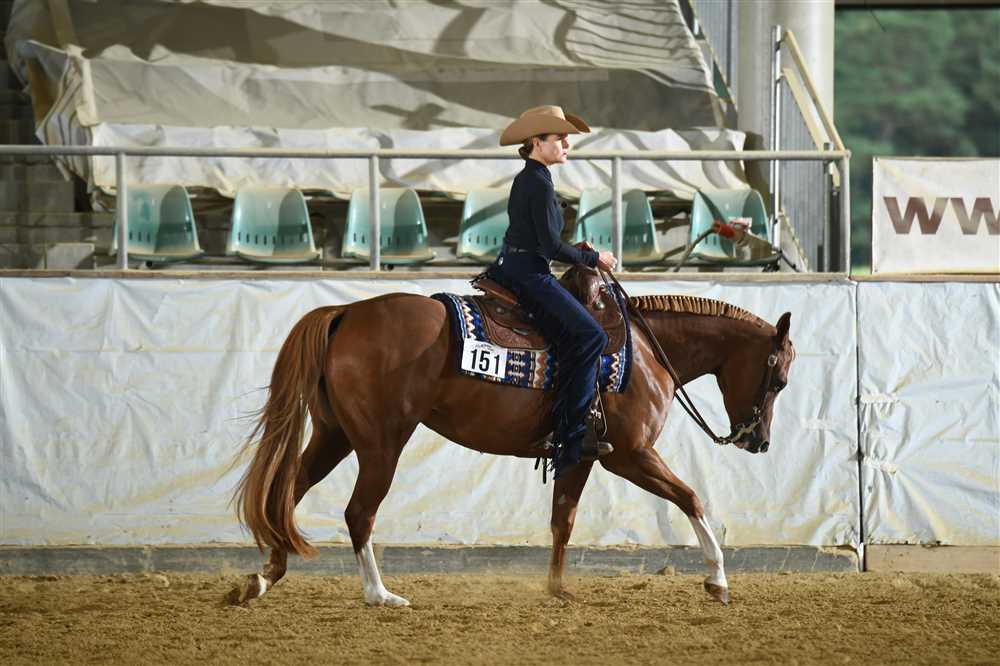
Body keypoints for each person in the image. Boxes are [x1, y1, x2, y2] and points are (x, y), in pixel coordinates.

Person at [487, 105, 618, 478]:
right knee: (591, 337)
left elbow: (540, 240)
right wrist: (594, 258)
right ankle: (570, 436)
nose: (566, 145)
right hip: (529, 274)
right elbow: (548, 246)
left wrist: (578, 252)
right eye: (559, 138)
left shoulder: (531, 178)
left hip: (515, 266)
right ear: (536, 142)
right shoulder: (539, 183)